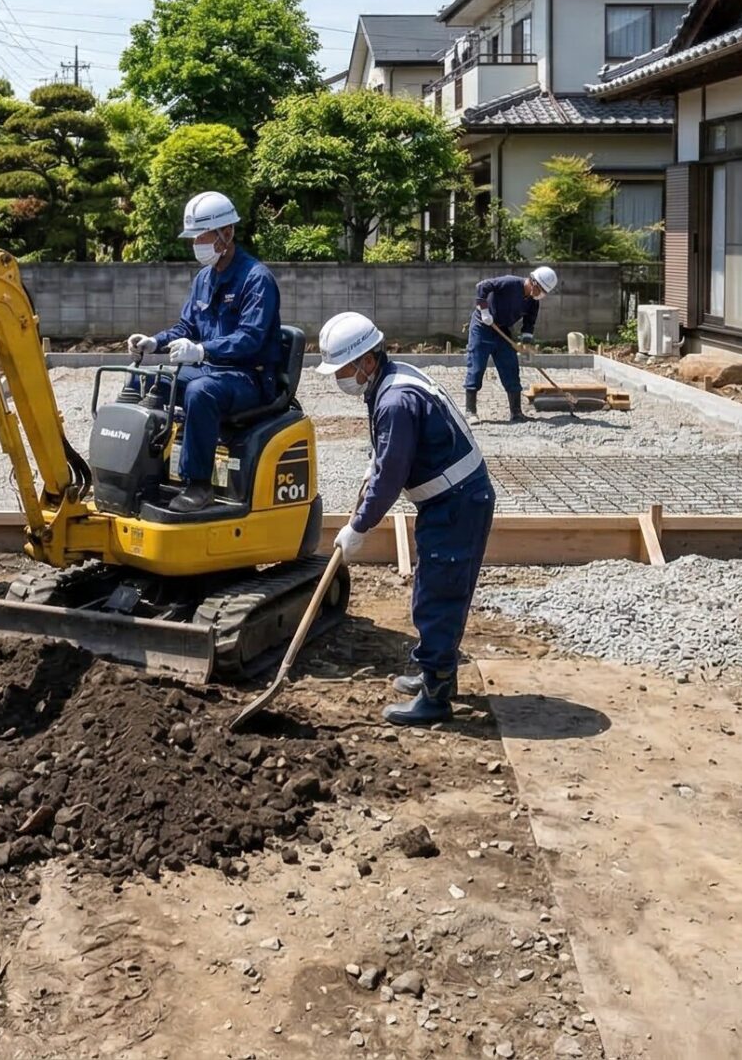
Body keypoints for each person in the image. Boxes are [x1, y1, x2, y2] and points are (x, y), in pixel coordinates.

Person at [318, 310, 495, 725]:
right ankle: (437, 674)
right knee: (437, 586)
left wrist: (358, 526)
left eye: (342, 368)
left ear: (366, 361)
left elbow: (390, 479)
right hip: (451, 500)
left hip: (457, 503)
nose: (339, 378)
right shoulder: (390, 379)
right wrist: (374, 463)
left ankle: (435, 697)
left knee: (438, 593)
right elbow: (388, 456)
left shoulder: (395, 399)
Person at [127, 190, 281, 514]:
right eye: (194, 236)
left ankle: (198, 486)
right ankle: (140, 476)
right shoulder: (203, 279)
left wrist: (200, 350)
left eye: (202, 235)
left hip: (249, 379)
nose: (196, 242)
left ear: (228, 232)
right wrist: (154, 343)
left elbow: (250, 339)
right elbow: (187, 328)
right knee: (146, 383)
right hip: (213, 372)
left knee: (200, 392)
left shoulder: (256, 279)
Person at [466, 266, 559, 422]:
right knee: (476, 367)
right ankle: (471, 411)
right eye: (541, 290)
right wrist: (484, 310)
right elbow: (482, 286)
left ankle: (516, 412)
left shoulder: (532, 302)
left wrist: (526, 346)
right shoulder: (510, 283)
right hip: (482, 326)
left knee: (510, 367)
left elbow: (529, 325)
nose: (541, 295)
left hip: (502, 330)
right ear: (534, 283)